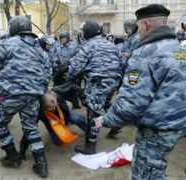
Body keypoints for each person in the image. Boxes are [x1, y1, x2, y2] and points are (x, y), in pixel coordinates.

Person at [94, 4, 186, 179]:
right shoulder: (181, 50)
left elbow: (132, 103)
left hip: (158, 127)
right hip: (179, 122)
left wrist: (106, 120)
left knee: (146, 172)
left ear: (146, 25)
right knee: (157, 165)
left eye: (138, 27)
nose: (138, 31)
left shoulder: (144, 54)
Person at [0, 16, 51, 178]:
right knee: (31, 128)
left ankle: (12, 156)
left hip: (9, 96)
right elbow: (48, 72)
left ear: (12, 28)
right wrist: (40, 89)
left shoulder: (7, 44)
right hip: (32, 97)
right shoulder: (39, 49)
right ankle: (41, 165)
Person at [67, 20, 122, 155]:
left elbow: (75, 69)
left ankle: (90, 146)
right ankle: (116, 125)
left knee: (93, 113)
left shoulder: (88, 46)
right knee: (106, 104)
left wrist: (68, 75)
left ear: (86, 33)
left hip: (99, 83)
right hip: (114, 82)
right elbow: (121, 62)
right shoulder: (111, 45)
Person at [19, 90, 86, 160]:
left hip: (65, 116)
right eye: (51, 102)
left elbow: (71, 87)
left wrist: (64, 125)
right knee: (57, 142)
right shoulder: (38, 110)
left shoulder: (58, 98)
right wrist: (22, 152)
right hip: (52, 125)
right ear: (44, 104)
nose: (55, 103)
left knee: (76, 118)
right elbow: (30, 129)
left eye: (54, 100)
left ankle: (87, 130)